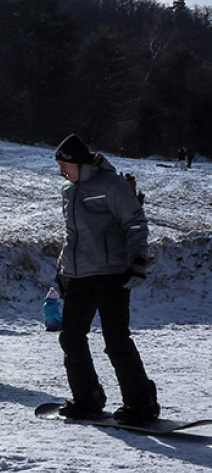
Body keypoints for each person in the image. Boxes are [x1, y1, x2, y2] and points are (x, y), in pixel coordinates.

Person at [53, 133, 159, 425]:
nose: (61, 170)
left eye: (64, 164)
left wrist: (138, 261)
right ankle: (87, 398)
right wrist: (63, 269)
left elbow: (135, 222)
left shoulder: (110, 185)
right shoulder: (67, 190)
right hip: (80, 276)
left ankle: (142, 403)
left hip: (112, 274)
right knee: (70, 338)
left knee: (115, 340)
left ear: (78, 162)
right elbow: (72, 235)